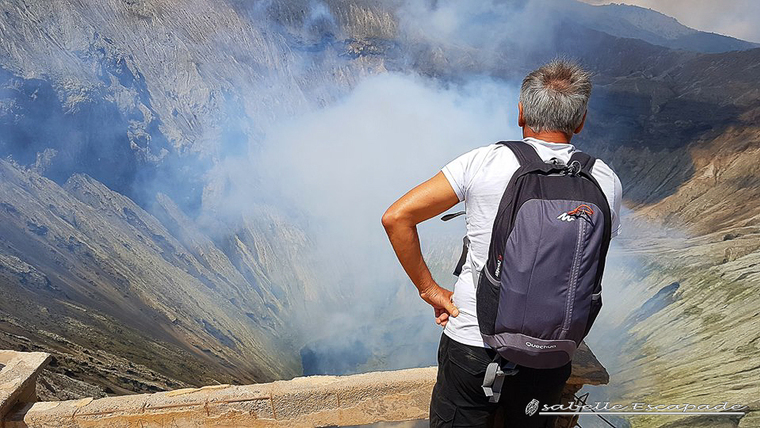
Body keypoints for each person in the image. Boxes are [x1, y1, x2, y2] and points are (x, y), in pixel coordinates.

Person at [381, 59, 622, 427]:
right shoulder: (604, 180)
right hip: (552, 353)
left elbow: (397, 217)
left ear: (521, 112)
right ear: (581, 120)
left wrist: (430, 290)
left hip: (474, 344)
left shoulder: (485, 162)